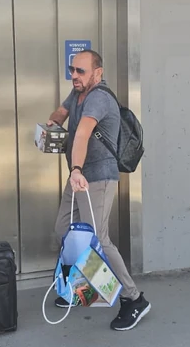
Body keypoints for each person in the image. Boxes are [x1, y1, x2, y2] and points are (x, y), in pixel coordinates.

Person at [47, 50, 151, 331]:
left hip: (97, 178)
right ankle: (81, 288)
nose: (74, 75)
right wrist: (52, 123)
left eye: (80, 71)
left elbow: (82, 133)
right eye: (72, 70)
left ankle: (133, 298)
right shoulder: (78, 93)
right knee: (64, 229)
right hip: (79, 177)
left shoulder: (99, 98)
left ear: (98, 73)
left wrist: (76, 169)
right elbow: (62, 111)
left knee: (99, 240)